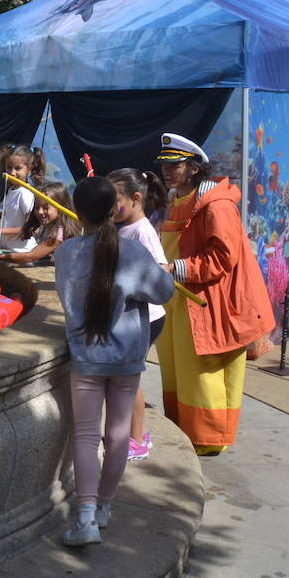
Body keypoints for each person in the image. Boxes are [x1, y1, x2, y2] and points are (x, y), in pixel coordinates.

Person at [54, 177, 175, 547]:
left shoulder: (65, 252)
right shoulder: (134, 253)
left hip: (87, 359)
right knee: (119, 434)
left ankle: (86, 518)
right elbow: (164, 291)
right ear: (114, 209)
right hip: (126, 357)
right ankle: (105, 507)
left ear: (76, 211)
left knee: (87, 437)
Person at [155, 132, 274, 455]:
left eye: (175, 165)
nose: (168, 171)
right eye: (165, 165)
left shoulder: (215, 206)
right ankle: (184, 429)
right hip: (179, 297)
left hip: (210, 302)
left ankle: (207, 439)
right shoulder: (174, 199)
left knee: (203, 372)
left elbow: (222, 258)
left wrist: (176, 269)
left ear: (193, 168)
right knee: (177, 368)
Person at [108, 167, 171, 461]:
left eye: (115, 200)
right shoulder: (121, 226)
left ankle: (137, 439)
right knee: (123, 377)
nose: (111, 207)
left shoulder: (143, 231)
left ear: (136, 198)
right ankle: (135, 432)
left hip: (147, 317)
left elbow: (159, 273)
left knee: (128, 379)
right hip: (130, 317)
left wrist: (132, 287)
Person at [0, 182, 79, 265]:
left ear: (61, 207)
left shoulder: (58, 234)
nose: (40, 212)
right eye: (37, 207)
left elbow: (30, 256)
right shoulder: (51, 226)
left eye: (46, 208)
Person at [0, 144, 46, 250]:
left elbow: (33, 228)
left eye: (18, 168)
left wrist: (0, 231)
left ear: (29, 169)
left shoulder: (25, 194)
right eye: (9, 167)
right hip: (9, 249)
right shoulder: (12, 190)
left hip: (22, 251)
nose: (12, 173)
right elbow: (14, 215)